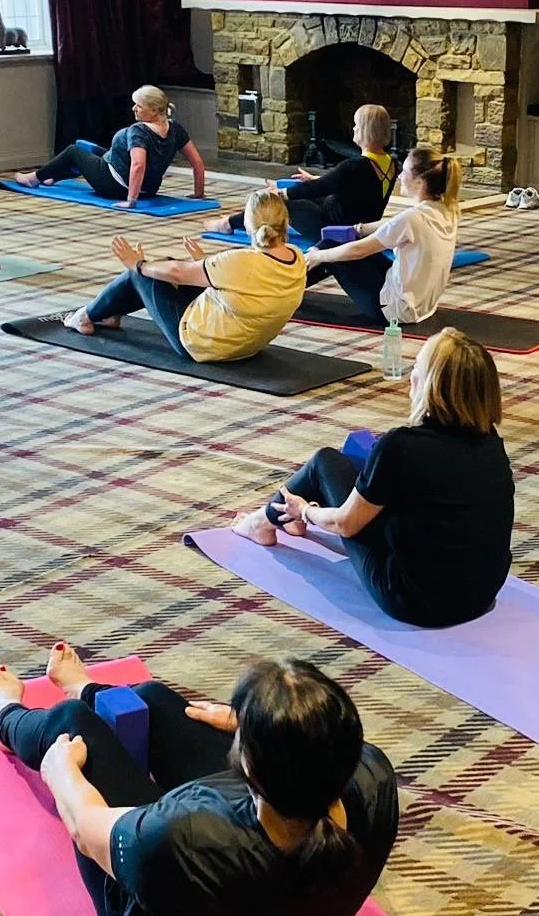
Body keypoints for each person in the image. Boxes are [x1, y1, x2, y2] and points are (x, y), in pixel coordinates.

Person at [0, 643, 399, 916]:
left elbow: (86, 830)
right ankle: (88, 689)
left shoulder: (185, 833)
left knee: (70, 725)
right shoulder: (373, 776)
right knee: (151, 699)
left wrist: (58, 772)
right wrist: (254, 724)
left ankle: (3, 715)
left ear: (247, 764)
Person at [233, 328, 512, 626]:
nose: (410, 374)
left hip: (414, 601)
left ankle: (261, 523)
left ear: (429, 384)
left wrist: (306, 510)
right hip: (482, 594)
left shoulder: (401, 446)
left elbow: (345, 524)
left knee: (324, 463)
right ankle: (285, 522)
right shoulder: (491, 442)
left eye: (416, 366)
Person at [64, 189, 305, 362]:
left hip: (201, 344)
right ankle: (112, 313)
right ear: (285, 221)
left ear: (247, 223)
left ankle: (85, 316)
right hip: (248, 345)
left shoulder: (241, 261)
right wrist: (203, 262)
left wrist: (137, 264)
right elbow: (247, 285)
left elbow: (177, 274)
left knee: (145, 274)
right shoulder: (296, 257)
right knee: (164, 266)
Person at [296, 146, 459, 328]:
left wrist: (317, 255)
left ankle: (281, 287)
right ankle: (289, 283)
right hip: (422, 306)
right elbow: (393, 225)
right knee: (337, 242)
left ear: (420, 182)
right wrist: (359, 229)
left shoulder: (413, 219)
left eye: (404, 172)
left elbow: (358, 251)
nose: (399, 177)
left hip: (393, 311)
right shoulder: (446, 210)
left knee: (331, 245)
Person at [207, 105, 396, 238]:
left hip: (335, 229)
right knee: (303, 187)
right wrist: (313, 180)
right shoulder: (391, 163)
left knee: (275, 201)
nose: (353, 128)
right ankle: (235, 220)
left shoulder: (355, 166)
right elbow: (357, 186)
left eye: (356, 124)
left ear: (365, 130)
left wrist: (280, 193)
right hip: (358, 221)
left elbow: (327, 185)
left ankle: (228, 224)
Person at [16, 86, 207, 207]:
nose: (134, 109)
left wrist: (130, 201)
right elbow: (197, 163)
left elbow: (138, 166)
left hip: (115, 185)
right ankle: (54, 176)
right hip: (148, 189)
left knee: (74, 151)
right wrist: (198, 194)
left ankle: (34, 178)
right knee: (92, 150)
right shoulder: (175, 128)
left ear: (155, 110)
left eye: (138, 106)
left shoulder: (139, 131)